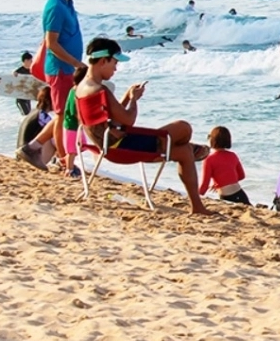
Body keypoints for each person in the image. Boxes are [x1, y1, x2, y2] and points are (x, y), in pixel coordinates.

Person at [74, 37, 211, 215]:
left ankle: (197, 203)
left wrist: (125, 97)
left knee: (183, 152)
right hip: (121, 147)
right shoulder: (101, 90)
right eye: (114, 63)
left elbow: (111, 117)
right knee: (184, 128)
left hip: (107, 145)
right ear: (103, 61)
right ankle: (196, 200)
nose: (116, 68)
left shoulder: (81, 88)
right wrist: (134, 99)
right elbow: (128, 120)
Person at [20, 0, 87, 170]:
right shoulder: (56, 7)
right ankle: (65, 161)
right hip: (60, 70)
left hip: (67, 69)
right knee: (61, 116)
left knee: (63, 114)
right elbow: (52, 44)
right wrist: (77, 63)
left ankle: (32, 147)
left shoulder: (66, 0)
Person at [200, 126, 250, 205]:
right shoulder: (233, 155)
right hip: (241, 194)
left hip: (227, 197)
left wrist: (195, 198)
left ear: (212, 140)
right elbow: (241, 176)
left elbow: (204, 186)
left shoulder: (209, 160)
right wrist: (225, 181)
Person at [14, 51, 34, 115]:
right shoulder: (18, 72)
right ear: (26, 61)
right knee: (26, 115)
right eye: (31, 60)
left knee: (28, 115)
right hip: (20, 99)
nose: (32, 62)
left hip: (28, 98)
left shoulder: (32, 71)